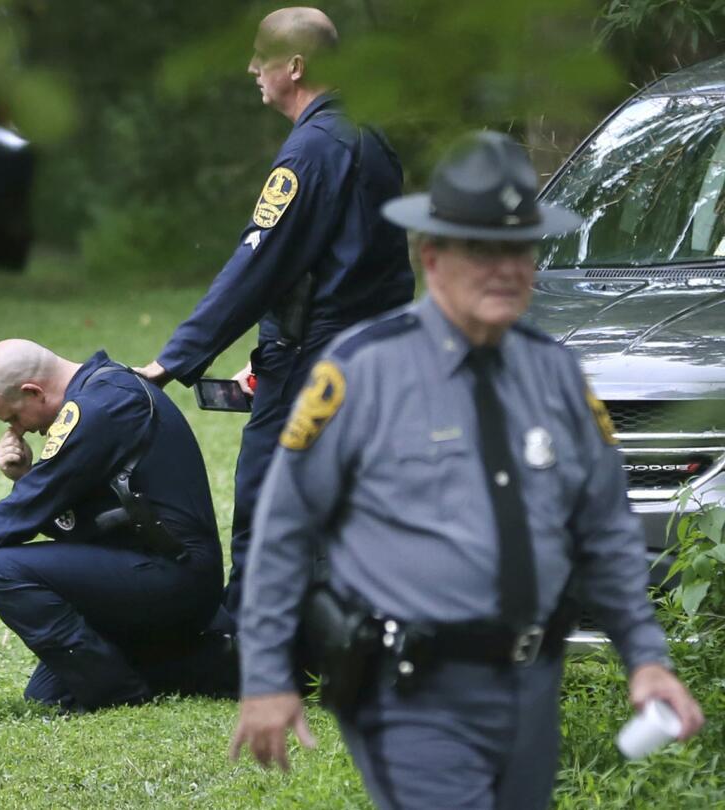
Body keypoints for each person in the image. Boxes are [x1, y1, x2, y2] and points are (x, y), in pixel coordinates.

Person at [228, 132, 704, 808]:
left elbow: (605, 531)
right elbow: (283, 528)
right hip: (409, 691)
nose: (507, 268)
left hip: (531, 687)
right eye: (483, 249)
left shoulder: (559, 376)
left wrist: (646, 657)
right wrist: (267, 674)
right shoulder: (361, 372)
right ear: (432, 256)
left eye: (521, 248)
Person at [137, 7, 414, 616]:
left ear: (295, 66)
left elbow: (256, 266)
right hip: (378, 354)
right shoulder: (373, 138)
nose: (251, 68)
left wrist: (172, 361)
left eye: (261, 57)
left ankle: (248, 641)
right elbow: (382, 268)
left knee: (266, 498)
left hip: (314, 360)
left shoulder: (312, 151)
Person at [0, 339, 233, 711]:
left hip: (177, 579)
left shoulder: (99, 407)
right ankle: (207, 660)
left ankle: (119, 694)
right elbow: (81, 525)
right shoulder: (103, 391)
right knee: (48, 694)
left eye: (13, 417)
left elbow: (26, 509)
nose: (19, 430)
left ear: (33, 391)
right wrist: (26, 475)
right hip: (151, 569)